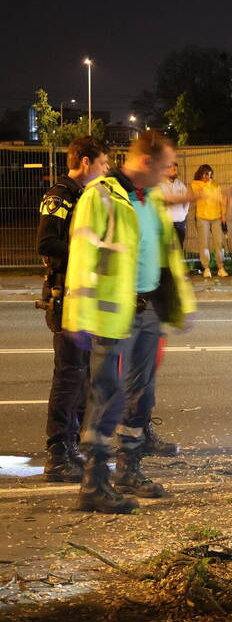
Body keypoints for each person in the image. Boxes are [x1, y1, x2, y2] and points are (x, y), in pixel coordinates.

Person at [63, 131, 196, 514]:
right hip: (114, 314)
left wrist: (178, 304)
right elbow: (82, 256)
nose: (170, 173)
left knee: (142, 396)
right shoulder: (100, 196)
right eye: (167, 165)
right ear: (146, 163)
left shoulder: (148, 196)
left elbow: (164, 252)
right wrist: (77, 315)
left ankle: (128, 470)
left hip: (150, 310)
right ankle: (94, 484)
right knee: (107, 395)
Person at [36, 136, 110, 481]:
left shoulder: (85, 195)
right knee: (68, 375)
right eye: (102, 163)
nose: (105, 169)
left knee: (82, 375)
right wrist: (89, 250)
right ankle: (57, 454)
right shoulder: (60, 196)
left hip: (82, 295)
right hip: (64, 294)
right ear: (84, 162)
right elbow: (47, 242)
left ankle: (73, 447)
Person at [190, 164, 232, 278]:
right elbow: (201, 193)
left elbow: (221, 200)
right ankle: (206, 268)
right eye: (205, 174)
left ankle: (221, 267)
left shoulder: (215, 184)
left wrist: (223, 214)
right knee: (204, 244)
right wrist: (208, 183)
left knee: (219, 243)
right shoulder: (195, 184)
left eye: (209, 174)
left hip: (216, 218)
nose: (208, 176)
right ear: (200, 174)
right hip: (202, 217)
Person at [160, 161, 191, 248]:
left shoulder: (180, 185)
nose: (176, 172)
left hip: (180, 220)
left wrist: (184, 213)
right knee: (166, 247)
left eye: (176, 170)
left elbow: (187, 200)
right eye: (173, 169)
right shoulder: (160, 185)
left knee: (179, 246)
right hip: (166, 221)